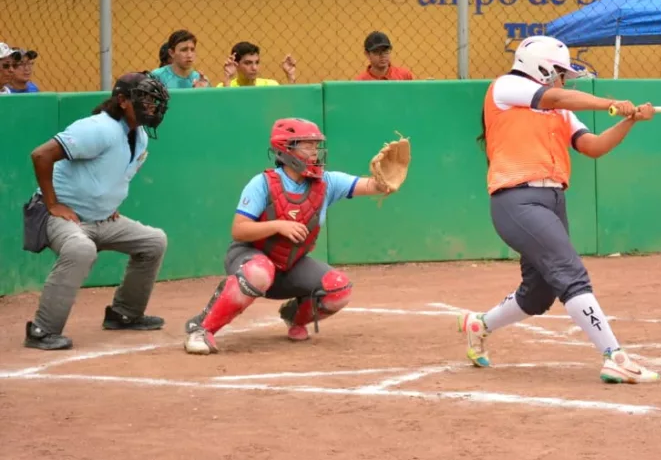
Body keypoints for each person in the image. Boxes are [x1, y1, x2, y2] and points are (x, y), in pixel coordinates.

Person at [456, 35, 660, 384]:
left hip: (552, 200)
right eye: (560, 72)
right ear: (542, 68)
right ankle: (615, 356)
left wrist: (629, 121)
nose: (564, 79)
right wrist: (613, 104)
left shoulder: (561, 111)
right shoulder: (506, 87)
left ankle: (480, 324)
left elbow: (592, 147)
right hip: (517, 200)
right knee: (571, 272)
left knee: (538, 294)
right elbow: (556, 96)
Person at [183, 117, 396, 354]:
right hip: (249, 257)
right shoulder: (262, 183)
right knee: (259, 271)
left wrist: (387, 178)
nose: (315, 151)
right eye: (307, 145)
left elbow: (371, 186)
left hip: (290, 264)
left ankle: (294, 317)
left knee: (338, 289)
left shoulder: (326, 181)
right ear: (286, 149)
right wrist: (277, 225)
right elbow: (239, 229)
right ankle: (202, 329)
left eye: (316, 145)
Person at [23, 72, 171, 350]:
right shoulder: (97, 128)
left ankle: (125, 314)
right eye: (145, 99)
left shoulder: (138, 135)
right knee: (81, 249)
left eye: (155, 100)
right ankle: (42, 330)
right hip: (57, 214)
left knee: (153, 241)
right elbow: (41, 155)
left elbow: (114, 175)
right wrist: (53, 203)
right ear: (122, 101)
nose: (152, 105)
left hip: (101, 217)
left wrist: (108, 205)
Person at [216, 41, 297, 87]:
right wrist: (227, 78)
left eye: (257, 62)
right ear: (236, 64)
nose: (254, 68)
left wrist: (290, 77)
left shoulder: (270, 86)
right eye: (248, 63)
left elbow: (288, 105)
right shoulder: (224, 86)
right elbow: (226, 109)